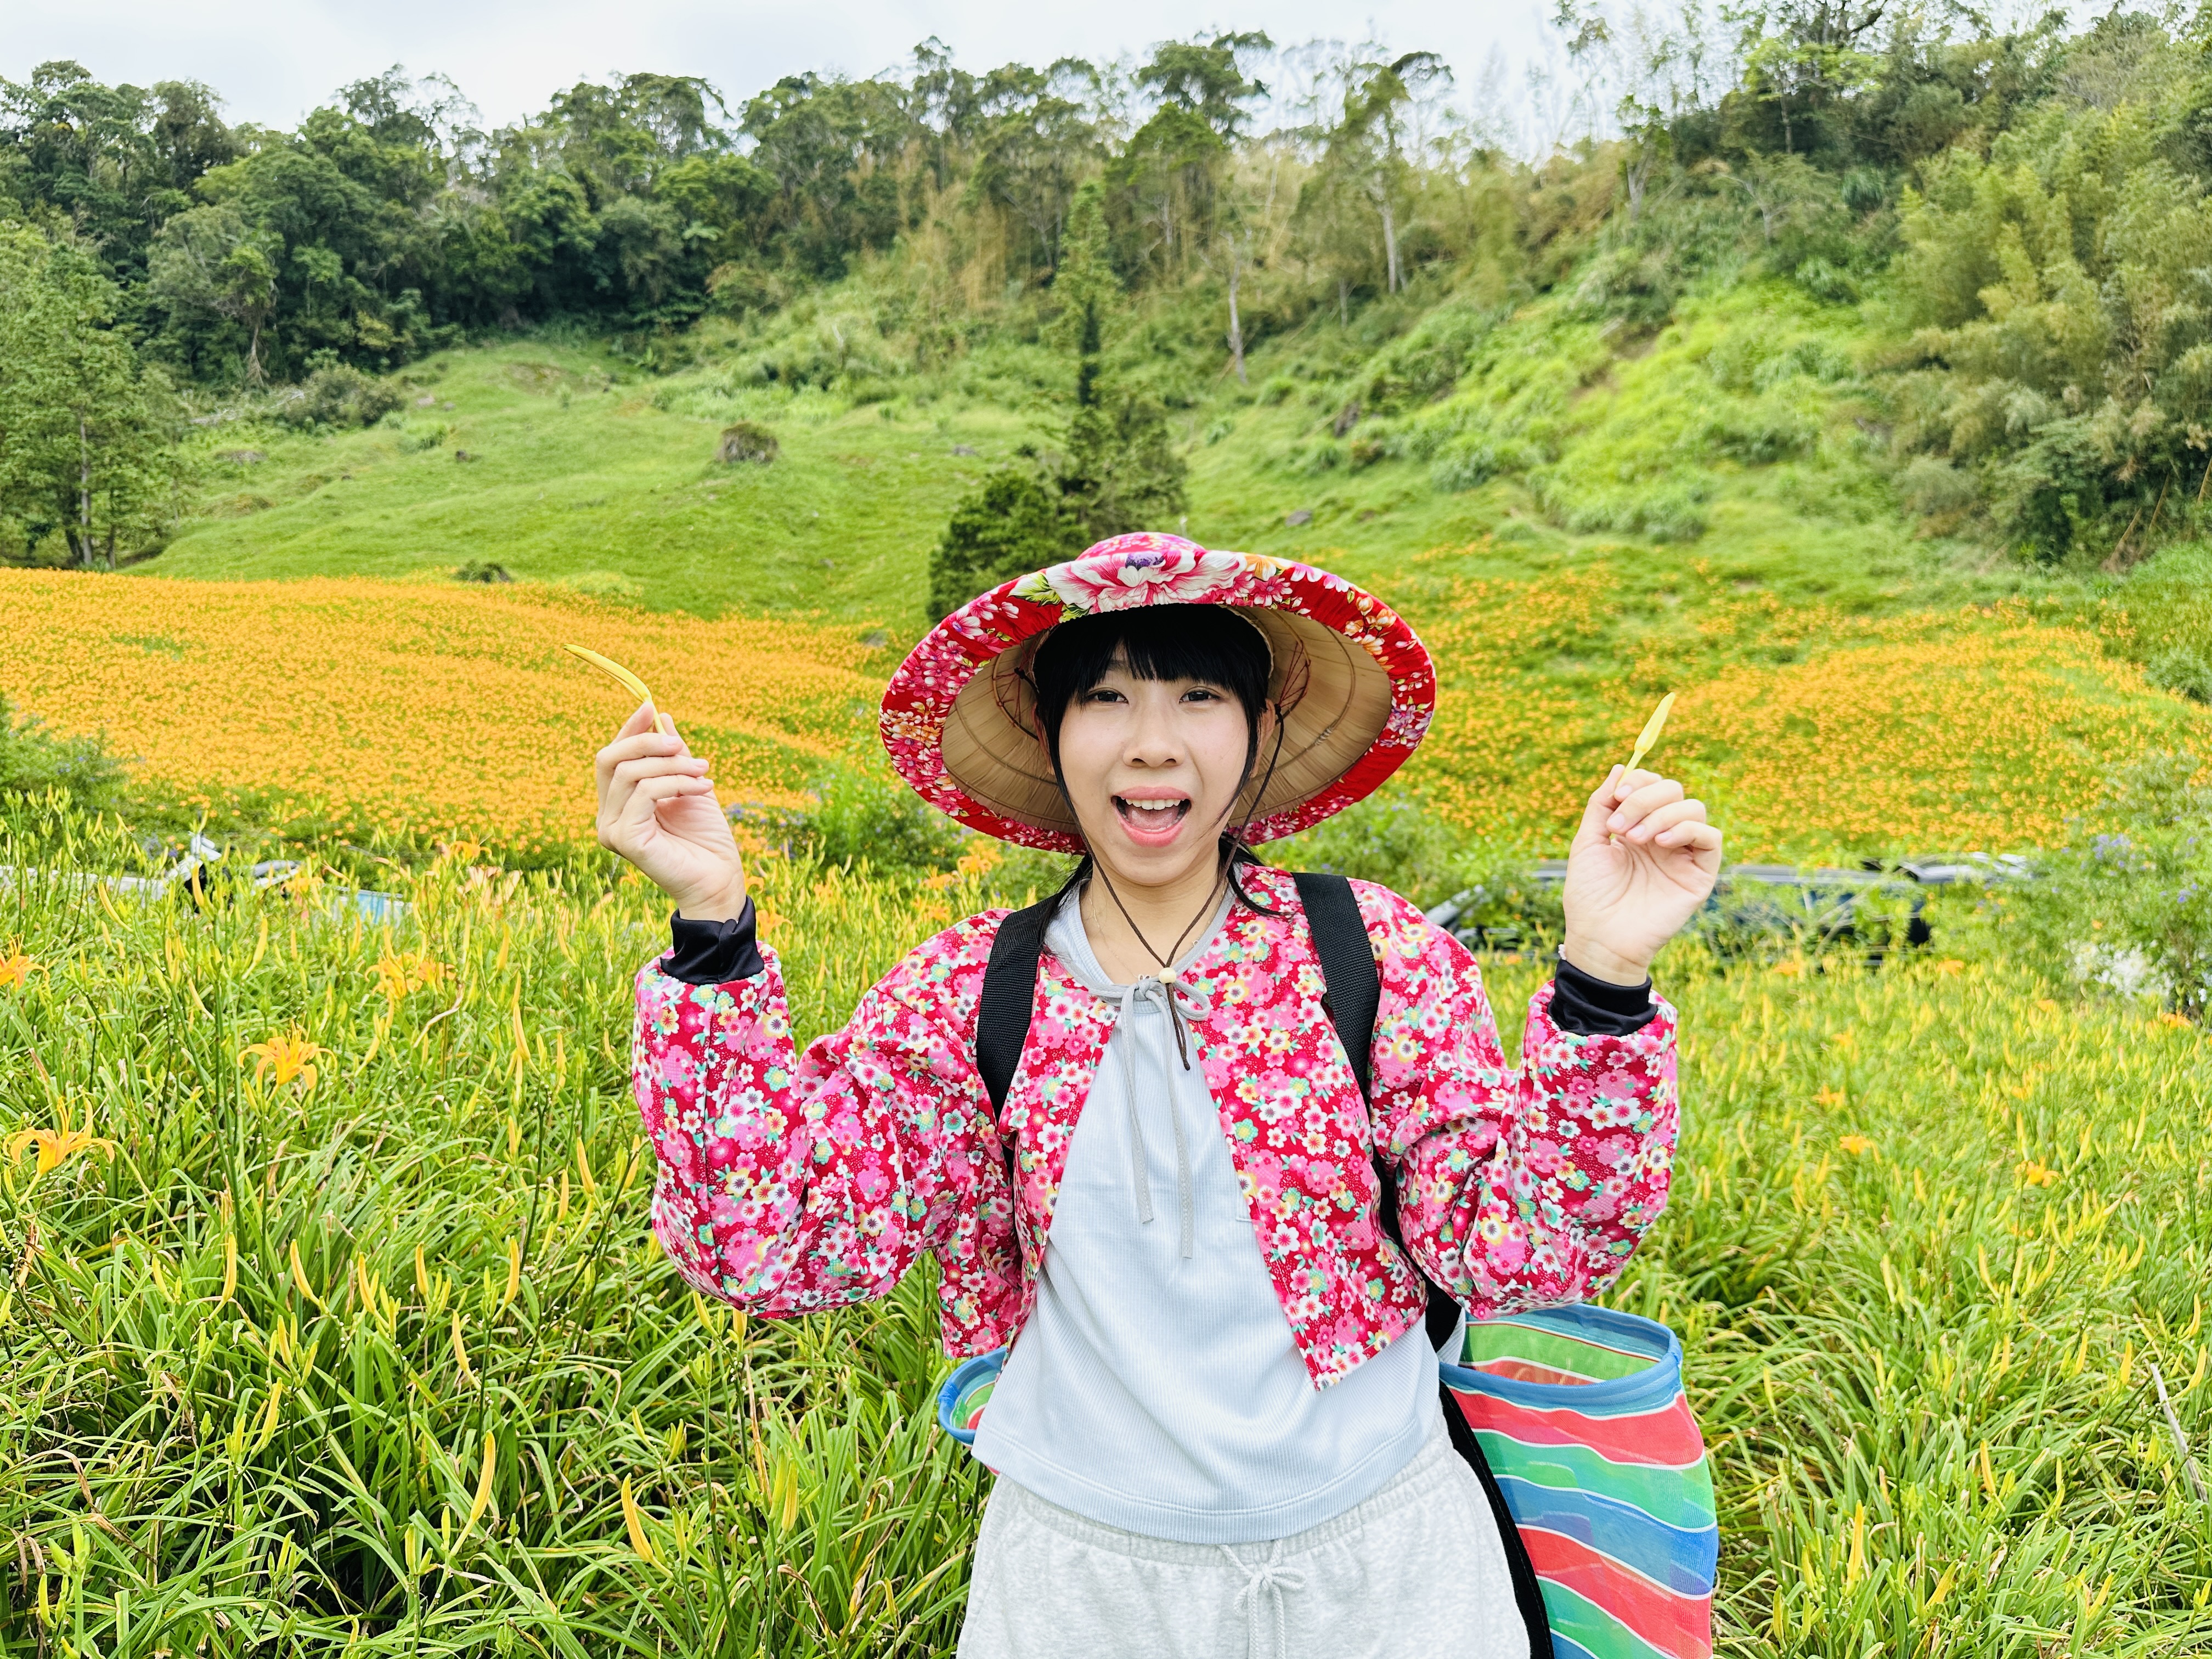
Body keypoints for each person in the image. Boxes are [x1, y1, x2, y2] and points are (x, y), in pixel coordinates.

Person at [595, 533, 1722, 1659]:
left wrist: (1604, 977)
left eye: (1198, 694)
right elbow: (773, 1245)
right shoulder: (967, 992)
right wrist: (711, 928)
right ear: (1053, 733)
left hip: (1390, 1576)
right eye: (1104, 696)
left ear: (1257, 728)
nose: (1152, 744)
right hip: (1084, 1588)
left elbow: (1521, 1252)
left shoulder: (1371, 951)